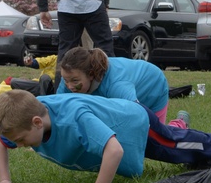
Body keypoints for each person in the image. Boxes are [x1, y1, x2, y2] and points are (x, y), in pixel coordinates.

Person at [0, 90, 211, 183]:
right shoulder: (29, 115)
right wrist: (4, 178)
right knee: (170, 136)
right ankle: (178, 124)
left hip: (134, 122)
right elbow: (0, 139)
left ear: (37, 122)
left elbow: (115, 150)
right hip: (114, 123)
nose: (17, 145)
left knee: (169, 147)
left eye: (20, 140)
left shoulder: (76, 118)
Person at [56, 46, 187, 128]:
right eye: (65, 80)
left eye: (74, 81)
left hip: (154, 86)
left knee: (155, 138)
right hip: (129, 88)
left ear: (91, 75)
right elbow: (56, 109)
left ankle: (180, 124)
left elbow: (137, 114)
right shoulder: (69, 76)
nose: (69, 86)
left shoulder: (117, 85)